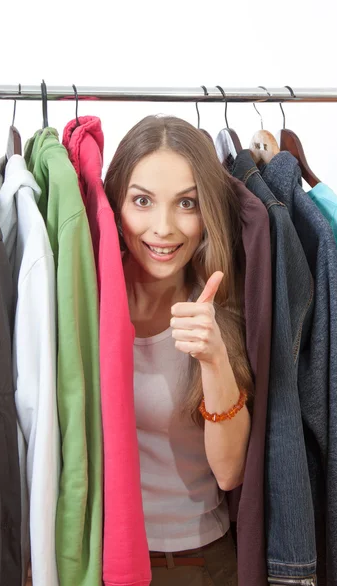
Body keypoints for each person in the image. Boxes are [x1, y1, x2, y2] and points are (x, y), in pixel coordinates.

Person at [104, 115, 253, 586]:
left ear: (207, 211)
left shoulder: (222, 303)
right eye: (142, 201)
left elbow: (229, 474)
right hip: (94, 559)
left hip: (195, 563)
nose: (163, 228)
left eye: (186, 203)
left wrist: (213, 358)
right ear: (115, 203)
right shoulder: (83, 295)